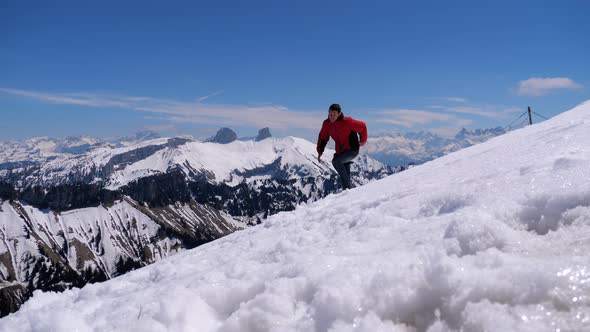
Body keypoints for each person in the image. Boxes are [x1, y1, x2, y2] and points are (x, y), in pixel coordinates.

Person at [317, 103, 368, 190]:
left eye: (334, 114)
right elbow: (323, 137)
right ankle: (347, 192)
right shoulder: (327, 124)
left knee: (336, 162)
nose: (331, 116)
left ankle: (348, 187)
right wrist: (320, 151)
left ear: (339, 114)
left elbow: (362, 126)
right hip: (340, 151)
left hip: (352, 149)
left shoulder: (347, 121)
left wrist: (363, 141)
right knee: (343, 164)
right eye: (329, 114)